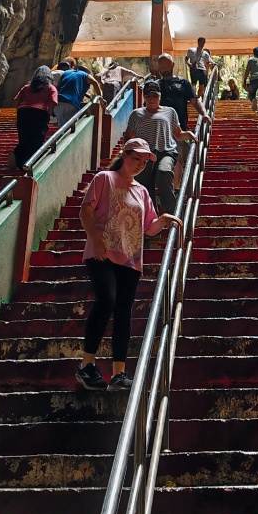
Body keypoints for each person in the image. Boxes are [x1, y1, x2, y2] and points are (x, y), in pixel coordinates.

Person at [76, 138, 184, 391]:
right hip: (102, 254)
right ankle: (86, 365)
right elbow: (86, 211)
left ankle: (118, 373)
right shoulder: (105, 178)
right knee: (106, 300)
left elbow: (149, 228)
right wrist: (95, 239)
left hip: (130, 259)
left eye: (144, 161)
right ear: (124, 154)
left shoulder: (142, 191)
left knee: (123, 313)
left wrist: (164, 219)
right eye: (136, 158)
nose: (140, 164)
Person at [124, 81, 196, 214]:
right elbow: (129, 137)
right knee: (145, 186)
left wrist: (191, 135)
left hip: (166, 152)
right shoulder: (136, 114)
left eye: (155, 96)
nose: (152, 99)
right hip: (144, 156)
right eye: (148, 96)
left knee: (164, 173)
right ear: (144, 97)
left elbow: (178, 134)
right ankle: (152, 218)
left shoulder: (170, 112)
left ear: (160, 96)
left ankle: (172, 214)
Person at [12, 66, 59, 170]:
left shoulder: (27, 87)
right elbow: (52, 103)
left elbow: (17, 101)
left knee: (24, 138)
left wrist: (19, 116)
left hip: (23, 113)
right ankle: (32, 164)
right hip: (40, 114)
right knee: (37, 139)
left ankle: (20, 163)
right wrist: (48, 116)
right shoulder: (50, 87)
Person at [155, 53, 211, 132]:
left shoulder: (183, 83)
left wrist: (204, 114)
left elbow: (195, 101)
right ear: (159, 68)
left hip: (180, 128)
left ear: (172, 65)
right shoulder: (155, 86)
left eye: (167, 66)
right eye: (162, 67)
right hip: (160, 129)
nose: (165, 69)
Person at [53, 57, 102, 126]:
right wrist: (100, 97)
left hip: (58, 103)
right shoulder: (85, 75)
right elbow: (95, 82)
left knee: (62, 127)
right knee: (70, 128)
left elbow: (59, 87)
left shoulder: (67, 73)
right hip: (71, 104)